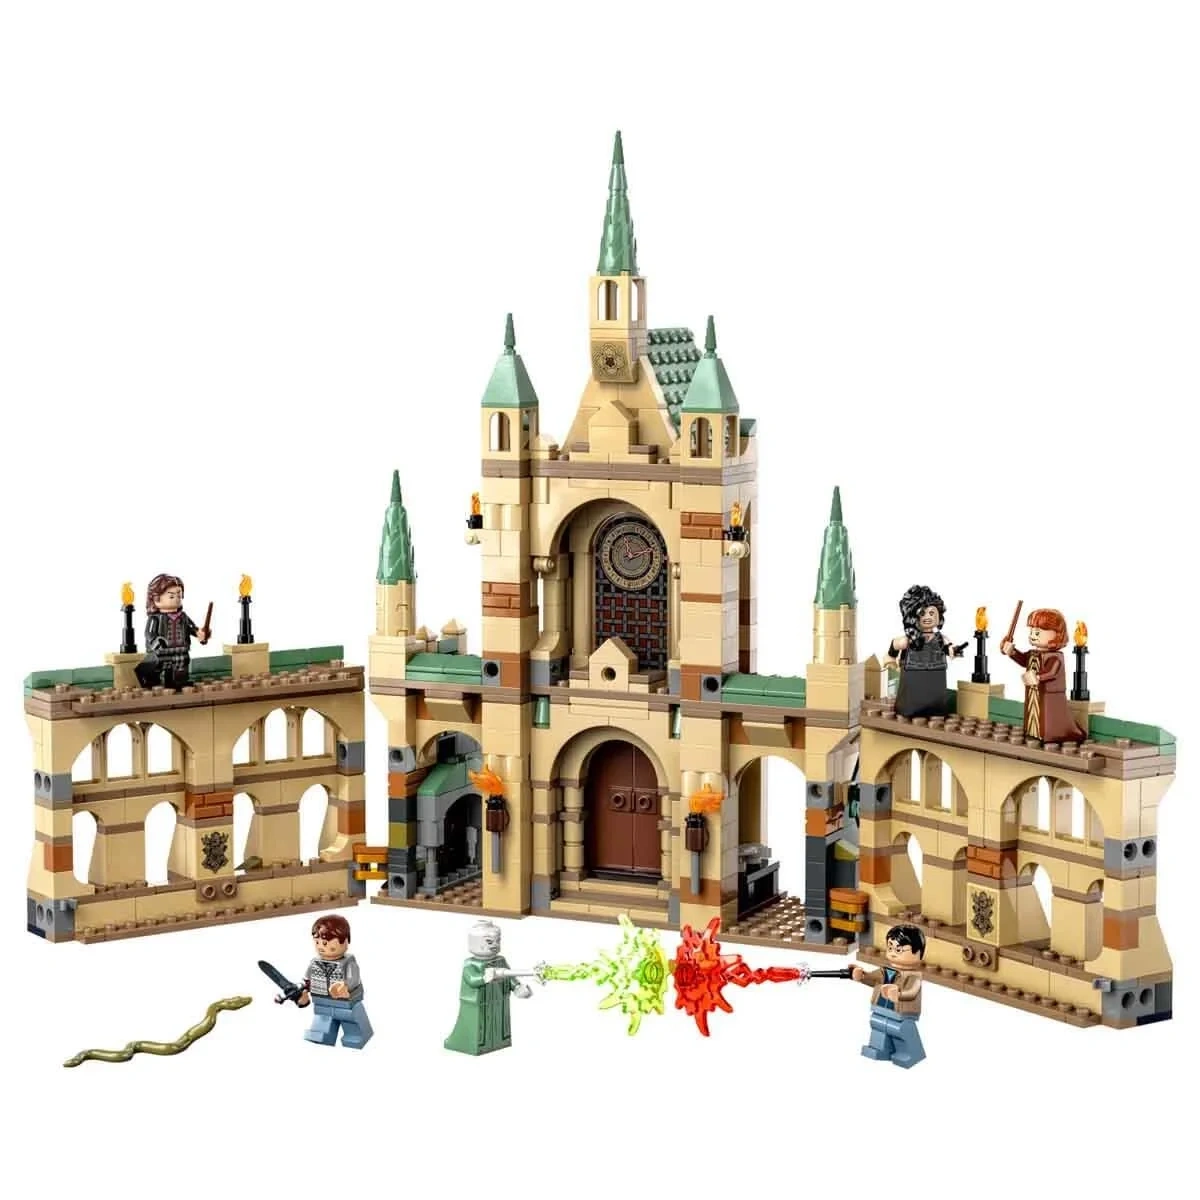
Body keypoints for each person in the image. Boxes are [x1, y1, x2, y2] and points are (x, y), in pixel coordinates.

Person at [444, 920, 534, 1055]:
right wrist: (485, 977)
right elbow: (472, 979)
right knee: (479, 1026)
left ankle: (499, 1042)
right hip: (478, 1003)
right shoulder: (470, 964)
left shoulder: (500, 961)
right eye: (489, 942)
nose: (495, 945)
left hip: (499, 1001)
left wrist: (517, 987)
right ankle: (475, 1045)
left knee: (499, 1023)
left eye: (498, 941)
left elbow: (508, 976)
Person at [1000, 608, 1085, 743]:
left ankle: (1050, 734)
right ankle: (1034, 732)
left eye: (1038, 632)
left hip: (1050, 695)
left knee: (1048, 716)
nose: (1033, 635)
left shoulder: (1055, 657)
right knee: (1033, 712)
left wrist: (1038, 677)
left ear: (1056, 634)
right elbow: (1023, 660)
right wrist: (1012, 652)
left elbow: (1052, 671)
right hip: (1034, 692)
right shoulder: (1033, 654)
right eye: (1032, 631)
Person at [852, 924, 926, 1068]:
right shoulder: (884, 971)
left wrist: (899, 994)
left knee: (901, 1030)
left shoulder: (913, 976)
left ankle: (910, 1052)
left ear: (918, 953)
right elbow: (873, 979)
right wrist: (862, 976)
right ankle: (879, 1048)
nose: (892, 953)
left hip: (902, 1013)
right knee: (877, 1024)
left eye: (899, 950)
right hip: (880, 1008)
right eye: (890, 948)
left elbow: (912, 992)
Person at [296, 914, 374, 1050]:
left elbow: (353, 979)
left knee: (351, 1022)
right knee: (322, 1022)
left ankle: (356, 1035)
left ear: (345, 941)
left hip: (346, 1003)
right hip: (322, 1001)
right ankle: (322, 1035)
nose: (321, 947)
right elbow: (307, 980)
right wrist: (303, 992)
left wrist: (344, 987)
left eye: (325, 943)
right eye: (317, 942)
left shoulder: (349, 963)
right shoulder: (315, 963)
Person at [886, 585, 963, 718]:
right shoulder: (909, 640)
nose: (928, 617)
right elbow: (895, 644)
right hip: (914, 681)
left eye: (932, 613)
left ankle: (935, 710)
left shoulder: (940, 638)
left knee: (936, 705)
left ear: (939, 614)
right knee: (911, 700)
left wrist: (953, 650)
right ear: (913, 616)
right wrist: (891, 657)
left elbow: (948, 646)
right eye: (922, 613)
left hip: (935, 679)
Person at [134, 573, 209, 690]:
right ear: (156, 599)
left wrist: (200, 634)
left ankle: (180, 681)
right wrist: (156, 642)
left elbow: (191, 628)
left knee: (182, 663)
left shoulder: (183, 616)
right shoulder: (155, 618)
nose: (177, 599)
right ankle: (158, 681)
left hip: (181, 649)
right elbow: (149, 633)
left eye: (179, 595)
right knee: (162, 665)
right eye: (172, 596)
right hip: (163, 651)